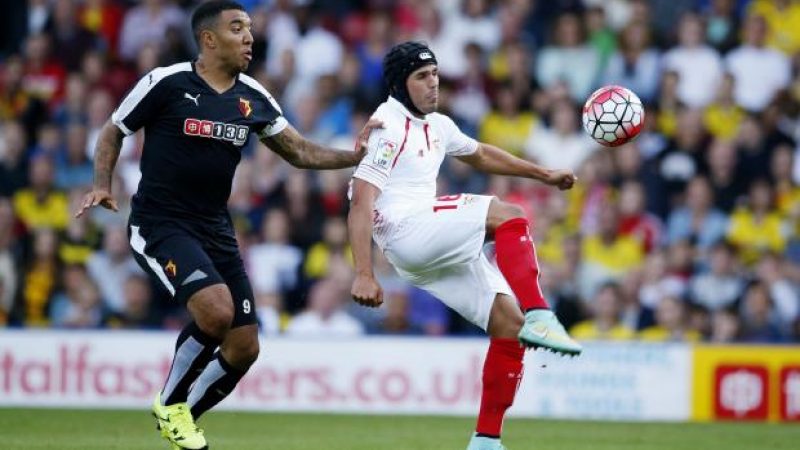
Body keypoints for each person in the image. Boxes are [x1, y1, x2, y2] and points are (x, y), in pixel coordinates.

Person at [73, 2, 379, 449]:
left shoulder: (252, 95)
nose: (249, 37)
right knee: (216, 312)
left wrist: (353, 157)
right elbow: (113, 130)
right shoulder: (167, 82)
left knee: (244, 347)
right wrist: (102, 184)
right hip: (161, 224)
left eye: (250, 28)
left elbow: (299, 151)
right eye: (238, 28)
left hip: (216, 229)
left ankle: (182, 418)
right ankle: (170, 403)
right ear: (209, 39)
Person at [349, 41, 582, 450]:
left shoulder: (437, 125)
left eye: (435, 74)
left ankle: (486, 440)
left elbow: (481, 155)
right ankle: (541, 313)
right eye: (422, 76)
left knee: (508, 326)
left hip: (423, 252)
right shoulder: (387, 125)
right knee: (508, 214)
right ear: (400, 84)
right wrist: (364, 273)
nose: (433, 83)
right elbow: (361, 202)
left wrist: (543, 174)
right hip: (407, 230)